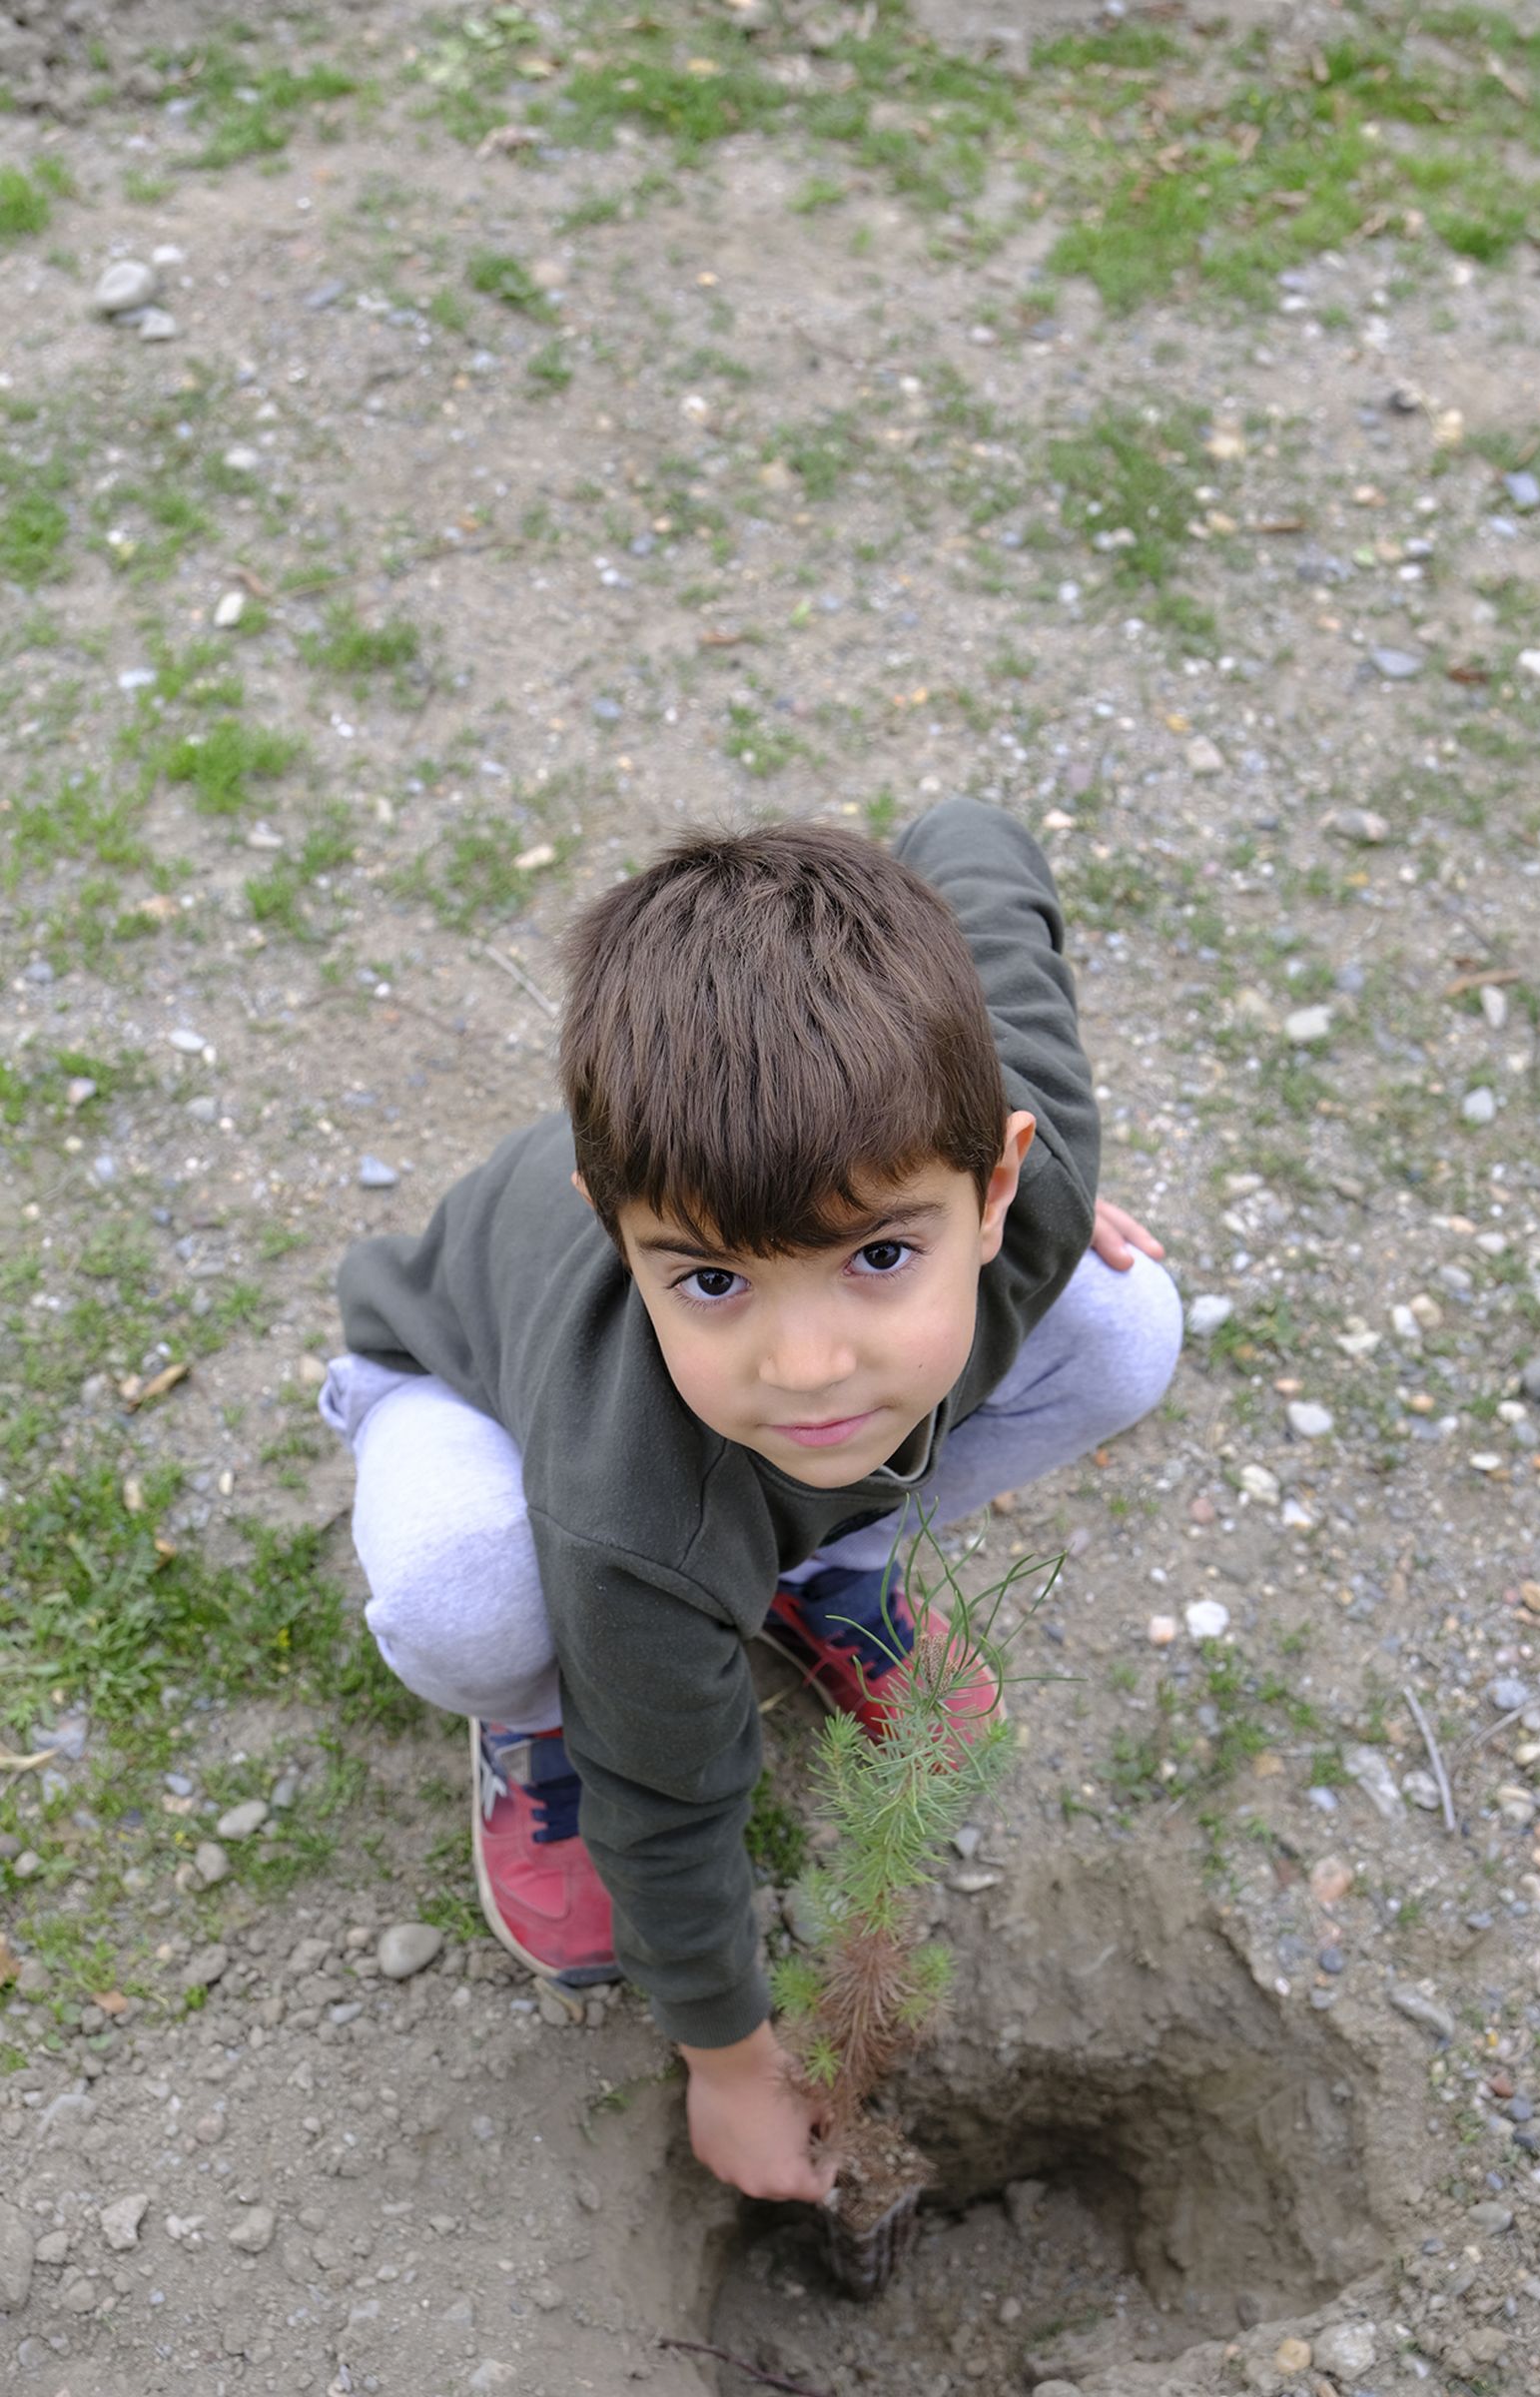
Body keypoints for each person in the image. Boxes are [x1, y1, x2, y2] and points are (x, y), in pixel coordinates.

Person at [319, 799, 1180, 2204]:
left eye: (882, 1257)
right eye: (713, 1280)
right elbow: (668, 1801)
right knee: (475, 1591)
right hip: (459, 1389)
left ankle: (819, 1568)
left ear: (998, 1174)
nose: (806, 1364)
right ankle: (536, 1729)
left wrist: (1051, 1217)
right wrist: (730, 2060)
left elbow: (976, 841)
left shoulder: (1040, 1161)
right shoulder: (632, 1503)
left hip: (772, 1360)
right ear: (619, 1228)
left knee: (1127, 1324)